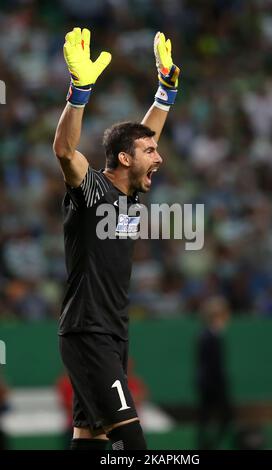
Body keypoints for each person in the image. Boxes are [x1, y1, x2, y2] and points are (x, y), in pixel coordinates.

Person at [53, 27, 180, 450]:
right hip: (88, 331)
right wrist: (80, 91)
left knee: (91, 439)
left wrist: (164, 93)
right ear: (125, 160)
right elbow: (65, 152)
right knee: (134, 444)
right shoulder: (92, 191)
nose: (158, 156)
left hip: (112, 331)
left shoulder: (129, 193)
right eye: (150, 152)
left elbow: (143, 136)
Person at [196, 296, 233, 450]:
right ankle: (208, 445)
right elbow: (209, 365)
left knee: (211, 417)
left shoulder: (211, 336)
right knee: (217, 417)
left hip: (211, 384)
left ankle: (208, 444)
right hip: (212, 385)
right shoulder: (208, 337)